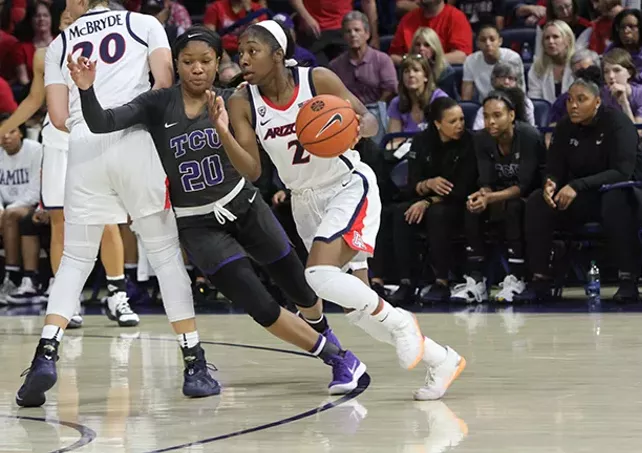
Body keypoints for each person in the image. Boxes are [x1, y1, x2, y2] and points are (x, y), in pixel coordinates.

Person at [69, 26, 366, 395]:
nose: (197, 68)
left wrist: (226, 129)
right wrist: (86, 88)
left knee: (299, 285)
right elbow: (102, 122)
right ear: (176, 64)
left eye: (206, 61)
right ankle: (339, 358)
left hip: (245, 205)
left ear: (217, 64)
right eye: (188, 61)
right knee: (258, 303)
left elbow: (255, 170)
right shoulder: (157, 102)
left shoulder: (236, 101)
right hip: (197, 224)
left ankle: (324, 332)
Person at [227, 19, 466, 400]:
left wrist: (356, 128)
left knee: (318, 276)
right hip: (304, 201)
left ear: (278, 54)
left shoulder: (316, 79)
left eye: (252, 51)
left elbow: (370, 121)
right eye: (240, 52)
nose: (243, 59)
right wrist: (224, 131)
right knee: (356, 306)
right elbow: (254, 170)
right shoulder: (242, 101)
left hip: (347, 186)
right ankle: (442, 359)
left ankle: (402, 322)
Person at [16, 0, 219, 408]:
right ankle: (194, 362)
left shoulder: (59, 43)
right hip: (135, 140)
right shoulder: (143, 23)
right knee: (164, 255)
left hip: (83, 149)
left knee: (75, 259)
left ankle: (46, 353)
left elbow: (57, 116)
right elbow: (164, 86)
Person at [0, 8, 136, 329]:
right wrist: (8, 126)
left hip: (95, 140)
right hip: (58, 143)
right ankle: (68, 297)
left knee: (105, 220)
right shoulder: (46, 55)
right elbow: (35, 98)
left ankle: (117, 294)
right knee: (60, 222)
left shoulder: (109, 51)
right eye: (66, 14)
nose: (69, 19)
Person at [519, 77, 642, 302]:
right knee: (537, 202)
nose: (573, 105)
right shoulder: (564, 127)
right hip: (586, 197)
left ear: (597, 101)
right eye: (570, 100)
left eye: (581, 100)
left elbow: (622, 172)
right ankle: (540, 279)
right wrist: (550, 183)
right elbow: (553, 167)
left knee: (615, 199)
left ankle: (628, 280)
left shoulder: (617, 123)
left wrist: (576, 185)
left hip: (630, 194)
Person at [371, 97, 478, 305]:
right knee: (399, 212)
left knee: (437, 214)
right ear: (437, 124)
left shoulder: (470, 142)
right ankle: (406, 281)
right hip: (424, 200)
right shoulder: (421, 141)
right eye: (453, 121)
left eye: (462, 120)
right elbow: (411, 184)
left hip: (458, 203)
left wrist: (428, 201)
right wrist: (427, 184)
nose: (460, 126)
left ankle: (442, 280)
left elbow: (464, 187)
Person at [454, 91, 545, 303]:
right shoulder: (482, 139)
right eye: (486, 116)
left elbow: (523, 186)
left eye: (497, 115)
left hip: (530, 197)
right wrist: (481, 195)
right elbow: (486, 180)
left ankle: (517, 277)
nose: (490, 122)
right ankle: (476, 280)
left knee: (513, 206)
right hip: (498, 195)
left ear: (511, 115)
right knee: (472, 206)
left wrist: (490, 197)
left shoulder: (529, 136)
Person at [0, 113, 42, 304]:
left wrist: (8, 210)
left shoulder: (35, 150)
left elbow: (35, 190)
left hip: (32, 206)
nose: (6, 137)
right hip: (7, 209)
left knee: (12, 216)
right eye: (2, 133)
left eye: (11, 131)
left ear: (21, 133)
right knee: (8, 216)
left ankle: (13, 277)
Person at [329, 11, 397, 105]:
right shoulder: (335, 66)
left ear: (367, 34)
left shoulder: (383, 60)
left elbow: (390, 90)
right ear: (344, 37)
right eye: (348, 31)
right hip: (348, 111)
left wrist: (376, 109)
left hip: (379, 110)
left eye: (357, 30)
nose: (353, 35)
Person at [387, 54, 449, 149]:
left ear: (426, 77)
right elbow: (394, 140)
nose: (411, 75)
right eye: (406, 71)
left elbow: (446, 136)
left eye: (416, 70)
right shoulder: (396, 103)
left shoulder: (440, 99)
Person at [290, 0, 379, 66]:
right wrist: (306, 17)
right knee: (318, 75)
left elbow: (368, 2)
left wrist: (374, 35)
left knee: (348, 73)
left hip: (344, 31)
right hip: (313, 31)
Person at [389, 0, 473, 65]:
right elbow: (394, 56)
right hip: (412, 78)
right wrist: (410, 62)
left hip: (443, 78)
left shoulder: (456, 17)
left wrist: (429, 62)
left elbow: (461, 56)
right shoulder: (408, 19)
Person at [462, 24, 525, 102]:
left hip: (510, 103)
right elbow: (466, 97)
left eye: (492, 39)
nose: (488, 43)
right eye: (483, 40)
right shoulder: (471, 61)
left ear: (500, 41)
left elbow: (519, 91)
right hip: (484, 106)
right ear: (477, 43)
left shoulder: (513, 58)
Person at [606, 9, 642, 88]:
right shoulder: (613, 50)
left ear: (641, 27)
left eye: (631, 26)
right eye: (622, 27)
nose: (626, 31)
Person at [472, 62, 535, 130]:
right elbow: (478, 130)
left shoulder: (526, 103)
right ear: (494, 80)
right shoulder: (488, 103)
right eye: (502, 77)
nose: (506, 82)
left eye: (510, 78)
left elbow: (531, 129)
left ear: (517, 82)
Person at [602, 48, 642, 125]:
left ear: (629, 73)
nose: (611, 76)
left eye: (617, 70)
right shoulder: (603, 94)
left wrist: (624, 103)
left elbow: (638, 133)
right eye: (606, 72)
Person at [527, 20, 575, 103]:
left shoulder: (579, 64)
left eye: (555, 37)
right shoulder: (537, 67)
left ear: (568, 40)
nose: (551, 41)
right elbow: (536, 101)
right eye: (547, 38)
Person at [11, 1, 54, 88]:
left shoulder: (62, 41)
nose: (41, 19)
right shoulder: (21, 48)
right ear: (31, 20)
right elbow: (24, 81)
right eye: (37, 16)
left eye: (45, 15)